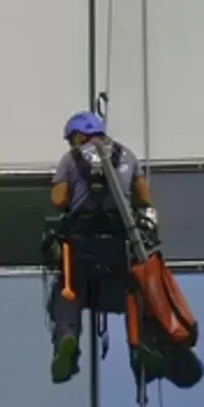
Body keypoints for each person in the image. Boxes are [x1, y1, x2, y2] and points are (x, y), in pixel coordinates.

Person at [47, 111, 156, 383]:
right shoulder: (127, 154)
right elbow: (144, 198)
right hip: (119, 239)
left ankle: (67, 338)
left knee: (68, 290)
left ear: (79, 134)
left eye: (71, 138)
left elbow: (58, 200)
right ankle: (140, 344)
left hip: (82, 240)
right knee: (134, 289)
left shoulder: (71, 159)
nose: (71, 144)